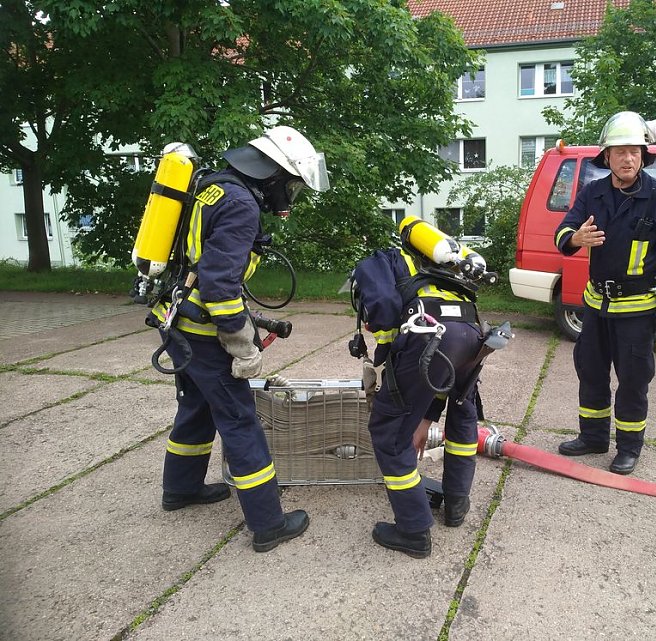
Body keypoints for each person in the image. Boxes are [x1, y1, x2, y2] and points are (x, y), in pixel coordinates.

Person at [149, 127, 329, 551]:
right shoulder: (241, 204)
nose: (289, 197)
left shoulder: (213, 186)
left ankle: (181, 489)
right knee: (240, 422)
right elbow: (218, 286)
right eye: (291, 187)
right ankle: (268, 523)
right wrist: (240, 342)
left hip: (176, 322)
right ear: (273, 175)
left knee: (196, 408)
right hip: (203, 333)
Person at [554, 111, 656, 475]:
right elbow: (562, 232)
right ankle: (593, 437)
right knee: (591, 371)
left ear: (644, 156)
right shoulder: (592, 193)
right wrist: (574, 239)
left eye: (634, 151)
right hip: (595, 306)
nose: (627, 158)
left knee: (632, 381)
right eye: (619, 152)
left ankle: (629, 447)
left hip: (637, 311)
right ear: (607, 158)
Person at [352, 231, 485, 558]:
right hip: (472, 334)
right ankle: (456, 503)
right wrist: (426, 417)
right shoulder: (440, 270)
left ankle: (412, 531)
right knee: (462, 413)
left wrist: (385, 350)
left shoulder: (380, 261)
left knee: (389, 433)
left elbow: (381, 304)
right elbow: (437, 384)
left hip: (428, 333)